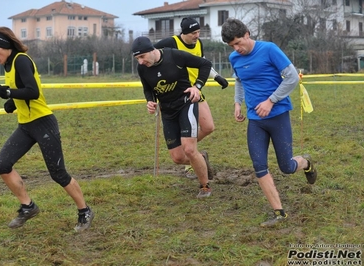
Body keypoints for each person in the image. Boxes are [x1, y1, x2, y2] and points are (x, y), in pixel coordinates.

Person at [0, 27, 94, 232]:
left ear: (6, 46)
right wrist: (12, 101)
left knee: (58, 173)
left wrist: (4, 92)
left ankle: (85, 211)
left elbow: (33, 92)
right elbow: (23, 91)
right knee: (3, 165)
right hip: (26, 126)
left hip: (43, 123)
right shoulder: (8, 64)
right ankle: (28, 206)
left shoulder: (21, 60)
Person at [221, 18, 317, 227]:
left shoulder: (269, 49)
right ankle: (279, 213)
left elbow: (291, 78)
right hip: (255, 120)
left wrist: (271, 101)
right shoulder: (234, 57)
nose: (237, 49)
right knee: (259, 165)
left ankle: (306, 162)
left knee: (287, 167)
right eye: (232, 46)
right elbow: (239, 80)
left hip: (278, 115)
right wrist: (238, 102)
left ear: (247, 33)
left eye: (239, 42)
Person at [132, 36, 213, 198]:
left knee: (189, 149)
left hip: (186, 104)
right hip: (167, 111)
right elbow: (148, 88)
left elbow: (205, 64)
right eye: (137, 58)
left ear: (152, 50)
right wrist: (150, 101)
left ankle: (205, 186)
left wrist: (197, 87)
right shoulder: (142, 68)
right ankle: (201, 158)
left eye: (142, 57)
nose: (140, 62)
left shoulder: (175, 56)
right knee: (177, 158)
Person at [155, 17, 228, 179]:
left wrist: (217, 77)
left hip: (196, 91)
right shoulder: (171, 43)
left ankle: (190, 151)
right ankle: (192, 161)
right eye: (194, 33)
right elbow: (151, 56)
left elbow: (202, 63)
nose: (197, 35)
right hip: (179, 96)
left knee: (208, 127)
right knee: (187, 142)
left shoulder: (199, 43)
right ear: (184, 33)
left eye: (198, 32)